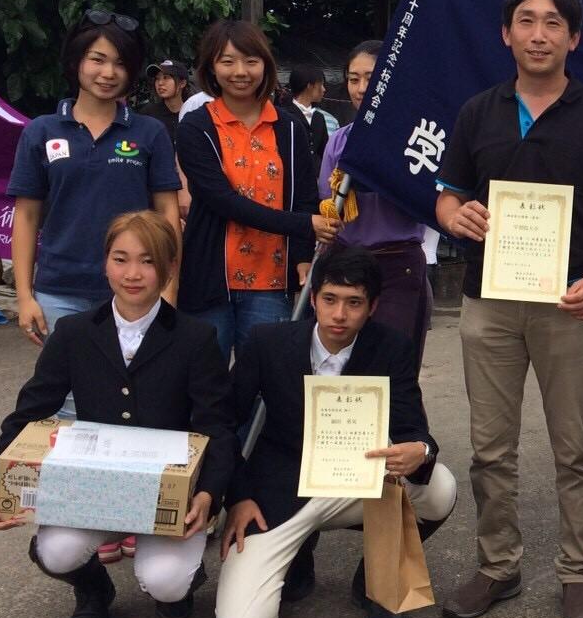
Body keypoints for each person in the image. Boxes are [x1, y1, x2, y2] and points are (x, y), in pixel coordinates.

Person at [435, 0, 583, 618]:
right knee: (490, 446)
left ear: (574, 38)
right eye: (526, 20)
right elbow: (447, 194)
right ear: (506, 33)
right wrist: (454, 216)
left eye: (554, 22)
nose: (538, 33)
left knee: (574, 446)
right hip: (489, 303)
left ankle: (579, 573)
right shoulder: (478, 111)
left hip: (569, 305)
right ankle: (498, 565)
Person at [0, 210, 236, 618]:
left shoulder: (196, 338)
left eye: (148, 261)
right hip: (94, 486)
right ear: (105, 263)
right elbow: (28, 413)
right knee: (56, 551)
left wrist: (209, 494)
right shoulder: (74, 333)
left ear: (170, 266)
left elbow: (219, 426)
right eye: (121, 259)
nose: (133, 274)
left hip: (166, 491)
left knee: (166, 579)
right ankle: (93, 589)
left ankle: (181, 585)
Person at [215, 246, 457, 618]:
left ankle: (377, 578)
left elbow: (414, 427)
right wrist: (236, 497)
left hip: (356, 480)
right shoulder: (267, 342)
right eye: (329, 300)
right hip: (280, 488)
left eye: (353, 303)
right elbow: (223, 423)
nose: (339, 315)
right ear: (313, 299)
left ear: (372, 306)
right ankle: (296, 552)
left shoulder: (391, 347)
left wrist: (421, 450)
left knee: (440, 487)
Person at [7, 9, 180, 349]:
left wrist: (168, 292)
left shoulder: (149, 132)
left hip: (136, 287)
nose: (108, 73)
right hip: (59, 292)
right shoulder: (41, 131)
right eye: (97, 59)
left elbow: (168, 213)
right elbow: (26, 216)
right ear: (76, 62)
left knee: (137, 395)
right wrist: (25, 296)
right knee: (69, 398)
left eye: (120, 63)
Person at [175, 20, 340, 364]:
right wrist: (303, 224)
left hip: (272, 283)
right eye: (228, 61)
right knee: (207, 381)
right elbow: (222, 200)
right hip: (209, 279)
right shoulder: (196, 126)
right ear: (210, 68)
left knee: (266, 385)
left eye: (251, 61)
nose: (240, 71)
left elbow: (304, 196)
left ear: (265, 65)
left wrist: (302, 258)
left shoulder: (291, 126)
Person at [318, 40, 439, 366]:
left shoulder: (416, 136)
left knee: (393, 369)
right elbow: (327, 205)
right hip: (345, 261)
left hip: (398, 263)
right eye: (353, 79)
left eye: (370, 78)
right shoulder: (339, 140)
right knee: (343, 366)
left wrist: (381, 172)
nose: (360, 88)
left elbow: (427, 201)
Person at [285, 63, 336, 170]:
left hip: (315, 178)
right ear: (309, 86)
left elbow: (324, 153)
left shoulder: (319, 117)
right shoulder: (284, 115)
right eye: (321, 85)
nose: (324, 89)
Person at [140, 59, 191, 145]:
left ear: (182, 83)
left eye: (166, 77)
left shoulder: (192, 112)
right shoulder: (148, 114)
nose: (160, 83)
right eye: (157, 78)